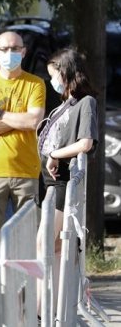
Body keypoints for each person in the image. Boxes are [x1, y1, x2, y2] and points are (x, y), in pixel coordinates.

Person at [37, 48, 98, 315]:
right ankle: (51, 308)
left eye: (55, 75)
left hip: (62, 184)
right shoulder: (64, 105)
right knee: (54, 247)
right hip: (51, 183)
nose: (54, 81)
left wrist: (54, 154)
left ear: (66, 73)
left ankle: (43, 308)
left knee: (47, 244)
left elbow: (85, 143)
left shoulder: (86, 102)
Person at [0, 31, 46, 232]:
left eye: (14, 48)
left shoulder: (35, 83)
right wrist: (19, 119)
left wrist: (0, 114)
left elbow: (33, 121)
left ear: (23, 52)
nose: (9, 53)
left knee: (28, 235)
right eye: (4, 49)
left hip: (27, 170)